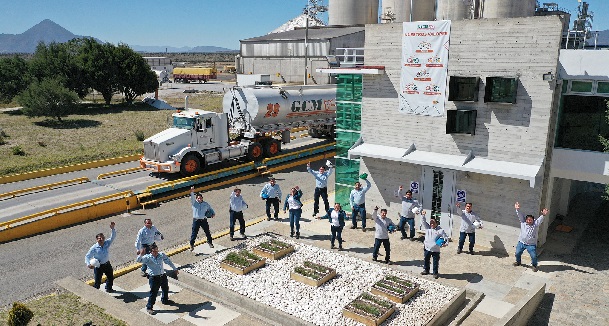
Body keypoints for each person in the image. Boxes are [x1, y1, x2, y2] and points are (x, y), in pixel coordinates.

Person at [136, 244, 179, 315]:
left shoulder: (161, 255)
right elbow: (138, 260)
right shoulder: (147, 258)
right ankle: (149, 307)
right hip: (154, 278)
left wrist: (175, 269)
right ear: (150, 251)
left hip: (162, 276)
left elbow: (168, 261)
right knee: (153, 293)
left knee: (165, 288)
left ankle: (165, 300)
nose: (156, 252)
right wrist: (140, 254)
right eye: (154, 251)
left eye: (157, 250)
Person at [513, 202, 548, 272]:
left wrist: (543, 214)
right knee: (517, 253)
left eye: (530, 220)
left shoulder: (535, 225)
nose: (529, 221)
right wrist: (517, 209)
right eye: (528, 220)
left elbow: (540, 220)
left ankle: (534, 266)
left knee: (534, 256)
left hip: (531, 245)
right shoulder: (523, 223)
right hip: (521, 243)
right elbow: (520, 215)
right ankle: (518, 262)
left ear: (533, 220)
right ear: (526, 220)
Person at [85, 221, 116, 293]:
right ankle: (95, 293)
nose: (101, 239)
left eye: (102, 238)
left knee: (110, 277)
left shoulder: (106, 243)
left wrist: (113, 229)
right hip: (98, 267)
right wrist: (88, 264)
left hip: (107, 264)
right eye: (99, 238)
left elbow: (113, 237)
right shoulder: (94, 248)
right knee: (97, 281)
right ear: (97, 239)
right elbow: (87, 256)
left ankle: (108, 288)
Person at [421, 211, 448, 279]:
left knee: (435, 262)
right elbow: (423, 221)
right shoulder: (428, 228)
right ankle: (426, 270)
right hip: (427, 248)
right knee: (426, 260)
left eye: (433, 223)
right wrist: (423, 215)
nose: (432, 224)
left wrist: (445, 244)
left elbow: (446, 238)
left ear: (436, 223)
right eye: (431, 223)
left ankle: (435, 273)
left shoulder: (440, 230)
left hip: (436, 249)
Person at [190, 186, 216, 250]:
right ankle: (192, 245)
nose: (200, 199)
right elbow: (192, 197)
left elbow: (210, 208)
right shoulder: (194, 203)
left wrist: (213, 213)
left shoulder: (205, 204)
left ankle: (210, 242)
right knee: (194, 233)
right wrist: (192, 191)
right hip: (196, 221)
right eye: (198, 198)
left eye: (201, 198)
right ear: (196, 199)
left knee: (207, 232)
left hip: (204, 220)